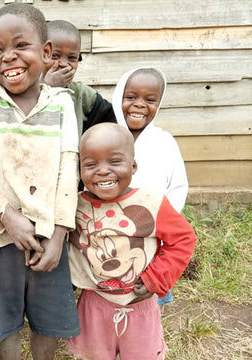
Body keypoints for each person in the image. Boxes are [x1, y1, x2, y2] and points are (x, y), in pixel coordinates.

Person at [0, 4, 80, 360]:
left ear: (45, 52)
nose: (8, 57)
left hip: (48, 239)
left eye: (20, 46)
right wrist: (6, 217)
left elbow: (68, 167)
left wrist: (58, 234)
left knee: (49, 319)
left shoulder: (61, 102)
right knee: (3, 320)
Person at [67, 122, 197, 360]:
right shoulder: (74, 205)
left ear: (133, 165)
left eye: (115, 161)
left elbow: (184, 239)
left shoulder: (152, 202)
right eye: (90, 164)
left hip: (140, 304)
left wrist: (155, 279)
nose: (103, 171)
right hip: (94, 303)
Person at [112, 67, 189, 305]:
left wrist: (163, 221)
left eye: (150, 99)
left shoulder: (164, 142)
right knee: (111, 288)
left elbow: (177, 186)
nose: (139, 105)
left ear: (159, 103)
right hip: (111, 230)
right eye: (131, 97)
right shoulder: (107, 137)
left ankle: (147, 334)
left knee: (147, 297)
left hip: (152, 233)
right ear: (118, 98)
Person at [43, 20, 116, 136]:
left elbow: (112, 120)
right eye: (55, 56)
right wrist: (47, 87)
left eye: (72, 58)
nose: (63, 64)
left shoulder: (82, 94)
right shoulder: (25, 91)